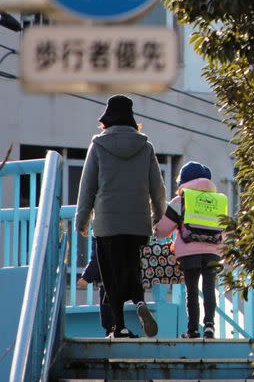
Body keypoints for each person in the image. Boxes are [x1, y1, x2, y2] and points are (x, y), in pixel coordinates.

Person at [75, 94, 166, 338]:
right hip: (138, 223)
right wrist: (159, 216)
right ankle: (138, 301)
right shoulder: (146, 147)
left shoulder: (98, 146)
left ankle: (119, 326)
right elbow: (157, 188)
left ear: (106, 119)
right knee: (134, 269)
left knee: (110, 275)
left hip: (107, 223)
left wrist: (81, 220)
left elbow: (88, 187)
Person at [155, 161, 226, 339]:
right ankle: (209, 326)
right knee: (209, 288)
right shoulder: (218, 201)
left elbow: (162, 230)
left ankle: (193, 330)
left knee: (192, 291)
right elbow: (224, 229)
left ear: (184, 181)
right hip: (213, 253)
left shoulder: (180, 201)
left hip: (188, 253)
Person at [76, 237, 113, 336]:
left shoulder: (99, 233)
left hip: (107, 285)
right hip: (122, 277)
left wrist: (86, 278)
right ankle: (139, 303)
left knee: (108, 319)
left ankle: (112, 333)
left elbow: (97, 259)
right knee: (116, 311)